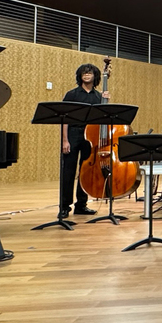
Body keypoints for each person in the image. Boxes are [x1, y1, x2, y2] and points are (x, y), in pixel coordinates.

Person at [59, 63, 108, 220]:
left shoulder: (99, 96)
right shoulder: (71, 94)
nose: (86, 75)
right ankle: (64, 207)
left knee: (85, 172)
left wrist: (106, 101)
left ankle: (81, 205)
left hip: (90, 137)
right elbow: (64, 119)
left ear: (95, 76)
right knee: (68, 172)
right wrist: (65, 140)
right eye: (84, 73)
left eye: (89, 73)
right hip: (73, 134)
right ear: (80, 76)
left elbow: (103, 118)